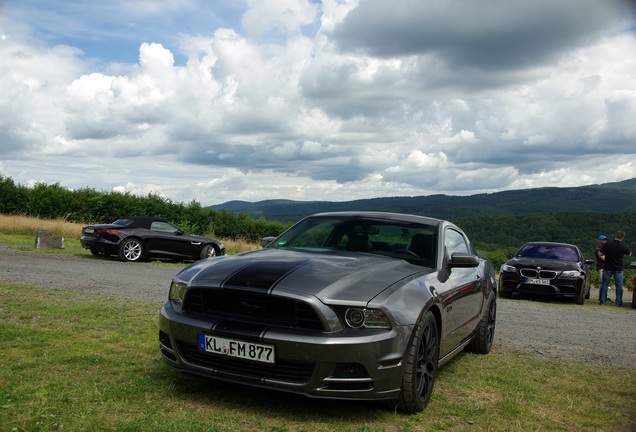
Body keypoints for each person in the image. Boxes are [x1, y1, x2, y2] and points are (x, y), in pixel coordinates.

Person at [599, 230, 632, 306]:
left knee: (605, 284)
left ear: (616, 235)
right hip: (618, 268)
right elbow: (629, 254)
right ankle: (618, 302)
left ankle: (602, 301)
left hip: (608, 266)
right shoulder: (623, 246)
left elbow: (600, 253)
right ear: (622, 238)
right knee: (619, 285)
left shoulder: (607, 244)